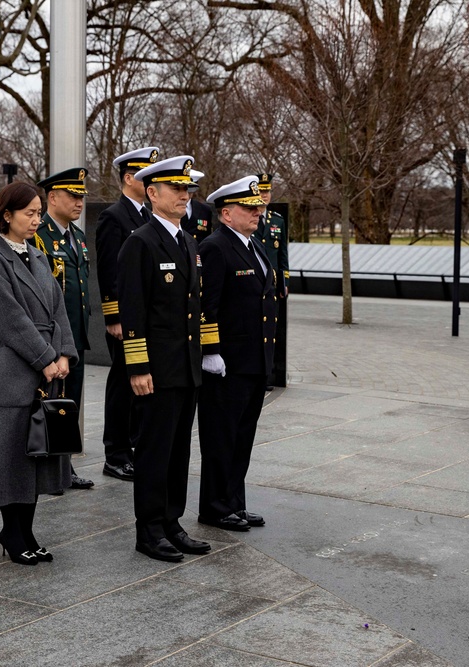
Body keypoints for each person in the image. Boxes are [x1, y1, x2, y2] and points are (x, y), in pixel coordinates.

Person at [0, 181, 78, 565]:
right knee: (13, 454)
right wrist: (47, 357)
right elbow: (9, 320)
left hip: (46, 368)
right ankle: (12, 533)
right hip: (15, 368)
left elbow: (58, 308)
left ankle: (27, 531)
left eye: (38, 213)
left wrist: (65, 352)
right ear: (6, 215)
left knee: (38, 454)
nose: (36, 220)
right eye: (29, 213)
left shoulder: (36, 255)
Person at [118, 155, 206, 562]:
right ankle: (149, 530)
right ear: (152, 193)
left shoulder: (186, 240)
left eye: (187, 188)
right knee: (154, 453)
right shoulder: (140, 241)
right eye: (176, 188)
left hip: (184, 367)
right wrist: (138, 366)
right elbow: (133, 310)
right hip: (155, 369)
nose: (185, 195)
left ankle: (172, 522)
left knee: (178, 452)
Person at [197, 176, 277, 532]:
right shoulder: (215, 247)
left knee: (242, 437)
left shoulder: (253, 245)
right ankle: (214, 507)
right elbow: (206, 306)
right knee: (221, 438)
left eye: (257, 206)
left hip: (253, 360)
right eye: (249, 207)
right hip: (227, 363)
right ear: (227, 213)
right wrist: (211, 351)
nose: (257, 212)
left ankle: (234, 503)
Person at [95, 146, 160, 482]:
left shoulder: (148, 216)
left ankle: (132, 448)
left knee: (139, 386)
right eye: (145, 174)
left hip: (145, 318)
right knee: (122, 383)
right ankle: (115, 453)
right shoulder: (114, 216)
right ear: (129, 177)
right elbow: (109, 271)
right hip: (124, 319)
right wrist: (113, 316)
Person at [34, 167, 93, 490]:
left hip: (76, 335)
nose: (79, 202)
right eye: (73, 196)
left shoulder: (78, 238)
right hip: (53, 338)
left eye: (82, 197)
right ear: (52, 197)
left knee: (70, 403)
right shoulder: (40, 236)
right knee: (50, 403)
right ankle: (49, 469)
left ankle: (64, 467)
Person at [254, 173, 289, 390]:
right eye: (260, 191)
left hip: (273, 284)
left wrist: (285, 281)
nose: (264, 195)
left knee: (271, 330)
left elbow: (282, 254)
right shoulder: (249, 217)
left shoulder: (277, 220)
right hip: (255, 281)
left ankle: (268, 375)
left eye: (267, 191)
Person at [180, 169, 214, 243]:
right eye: (184, 189)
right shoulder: (168, 208)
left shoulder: (205, 210)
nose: (186, 194)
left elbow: (207, 238)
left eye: (190, 190)